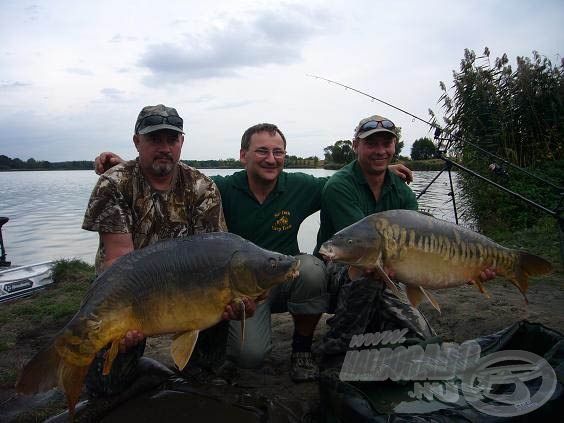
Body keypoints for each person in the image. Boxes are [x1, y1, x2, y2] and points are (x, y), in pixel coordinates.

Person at [94, 123, 414, 382]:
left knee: (312, 268)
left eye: (278, 152)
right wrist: (127, 166)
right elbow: (173, 177)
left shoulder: (302, 185)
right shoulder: (220, 187)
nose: (271, 159)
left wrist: (379, 168)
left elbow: (342, 182)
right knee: (249, 356)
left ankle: (301, 348)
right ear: (244, 155)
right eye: (262, 151)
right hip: (241, 289)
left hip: (285, 276)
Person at [313, 114, 495, 362]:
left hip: (390, 269)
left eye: (386, 144)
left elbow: (421, 252)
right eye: (371, 144)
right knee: (368, 276)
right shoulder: (340, 186)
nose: (380, 151)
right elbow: (357, 246)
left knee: (417, 335)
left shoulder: (402, 192)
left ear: (394, 147)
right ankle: (336, 347)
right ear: (356, 145)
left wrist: (464, 268)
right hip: (340, 266)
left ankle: (373, 326)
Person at [82, 104, 233, 396]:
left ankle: (200, 373)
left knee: (219, 298)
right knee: (105, 388)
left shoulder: (202, 187)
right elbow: (118, 260)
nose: (165, 147)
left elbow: (215, 256)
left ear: (181, 143)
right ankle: (139, 366)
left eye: (171, 139)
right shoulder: (114, 184)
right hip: (128, 291)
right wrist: (123, 322)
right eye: (154, 139)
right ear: (137, 141)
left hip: (187, 287)